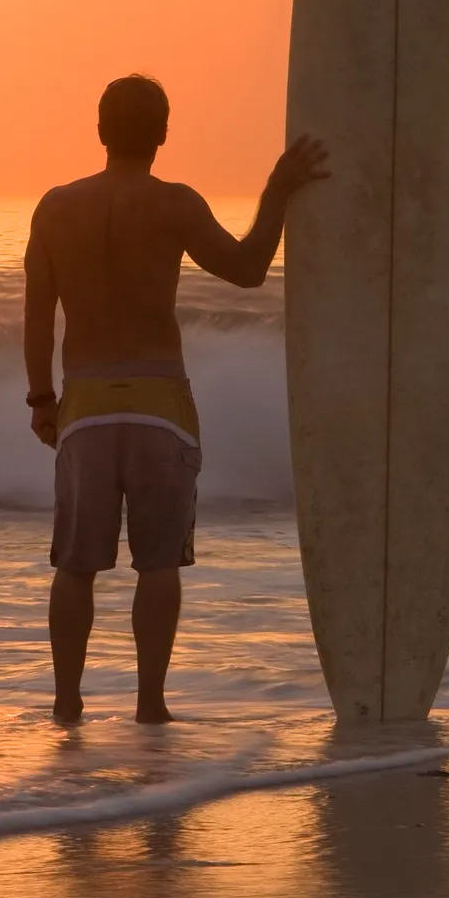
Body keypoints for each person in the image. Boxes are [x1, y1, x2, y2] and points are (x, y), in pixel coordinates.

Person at [23, 74, 328, 724]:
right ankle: (150, 705)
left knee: (76, 565)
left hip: (85, 408)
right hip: (160, 405)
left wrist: (41, 400)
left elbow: (36, 315)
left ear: (100, 130)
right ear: (162, 134)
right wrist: (277, 192)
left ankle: (67, 703)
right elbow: (248, 270)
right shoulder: (175, 205)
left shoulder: (55, 209)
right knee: (158, 564)